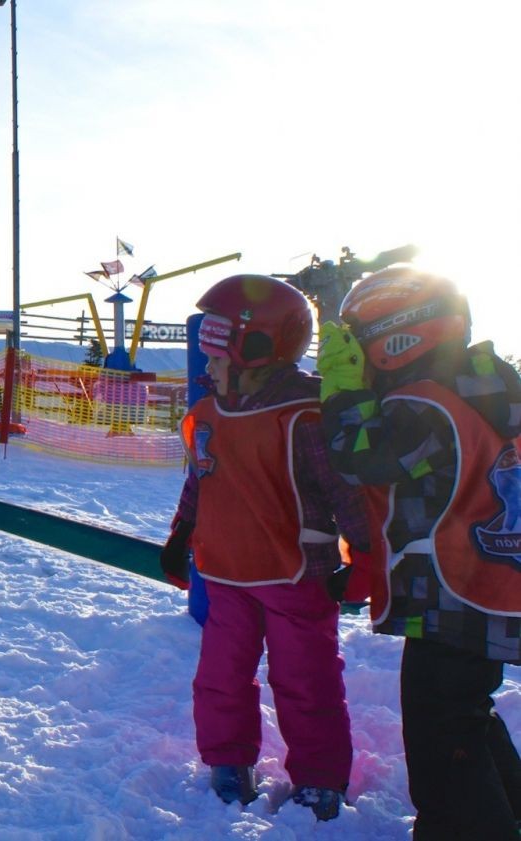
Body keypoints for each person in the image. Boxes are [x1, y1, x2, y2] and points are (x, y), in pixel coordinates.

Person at [317, 265, 521, 838]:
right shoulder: (486, 385)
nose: (353, 355)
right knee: (464, 717)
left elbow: (360, 455)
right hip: (487, 582)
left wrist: (342, 393)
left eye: (356, 343)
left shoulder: (426, 402)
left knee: (441, 740)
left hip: (450, 595)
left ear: (394, 337)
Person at [160, 275, 372, 821]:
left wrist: (367, 553)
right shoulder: (210, 412)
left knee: (307, 681)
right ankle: (229, 762)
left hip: (298, 576)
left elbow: (343, 488)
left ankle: (320, 779)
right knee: (220, 678)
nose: (206, 365)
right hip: (228, 574)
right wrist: (181, 533)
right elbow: (200, 478)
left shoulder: (305, 411)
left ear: (259, 347)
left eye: (215, 351)